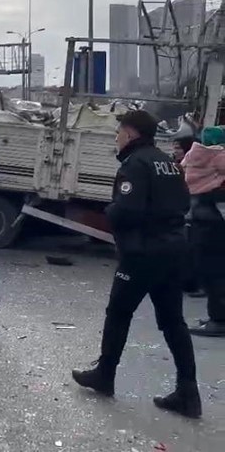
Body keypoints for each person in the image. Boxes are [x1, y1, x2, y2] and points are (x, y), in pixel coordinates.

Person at [72, 110, 201, 419]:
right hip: (172, 250)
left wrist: (111, 210)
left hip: (142, 252)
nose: (116, 137)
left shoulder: (136, 164)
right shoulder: (168, 162)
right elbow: (184, 202)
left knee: (118, 312)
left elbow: (127, 210)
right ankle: (188, 392)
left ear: (130, 134)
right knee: (173, 322)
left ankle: (105, 375)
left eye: (119, 131)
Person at [181, 125, 225, 338]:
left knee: (211, 272)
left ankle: (218, 318)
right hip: (212, 219)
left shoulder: (194, 155)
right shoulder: (217, 157)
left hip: (201, 216)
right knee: (216, 272)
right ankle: (218, 318)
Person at [173, 135, 205, 297]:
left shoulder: (193, 165)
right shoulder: (179, 163)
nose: (175, 151)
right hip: (186, 213)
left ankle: (192, 283)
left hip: (191, 213)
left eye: (178, 147)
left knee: (191, 249)